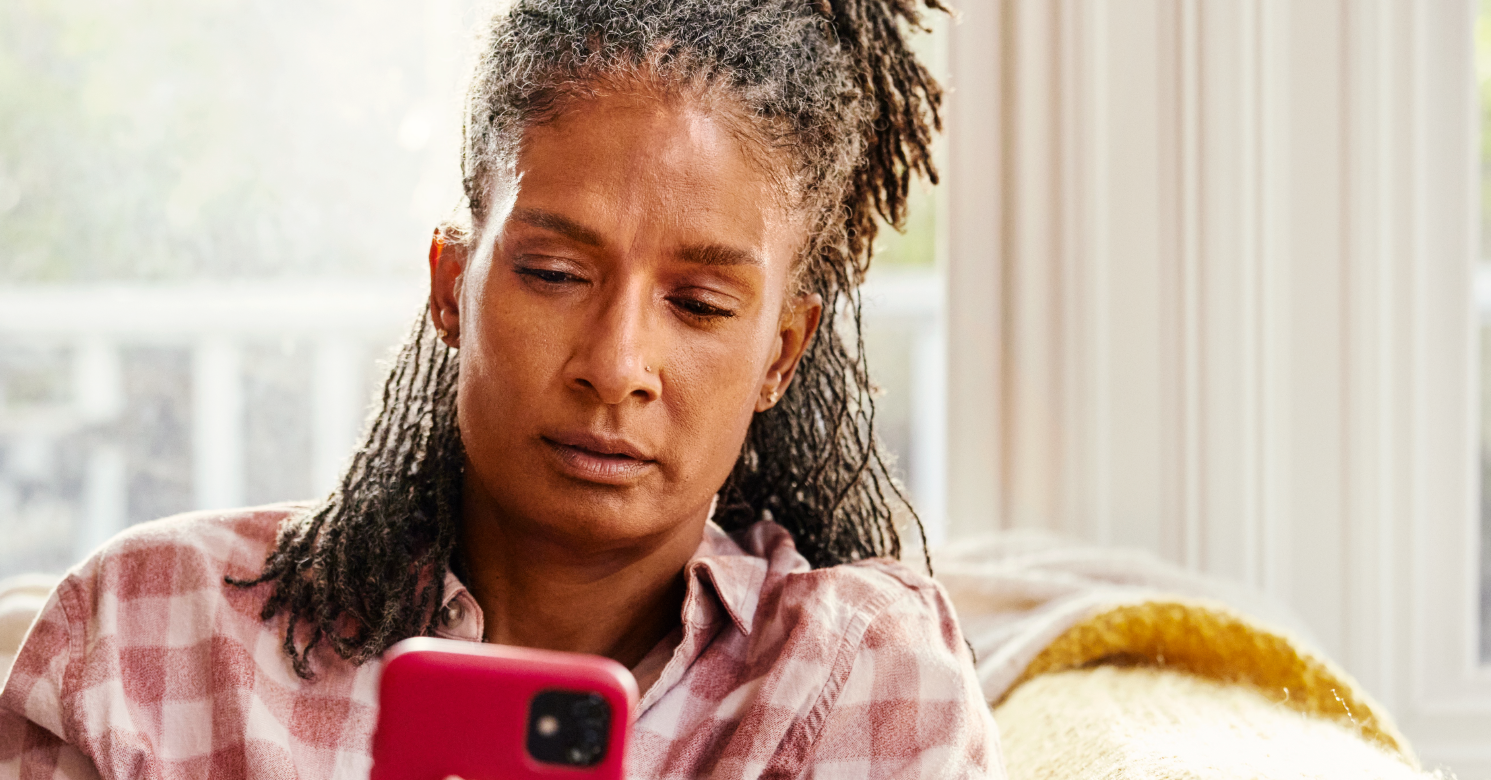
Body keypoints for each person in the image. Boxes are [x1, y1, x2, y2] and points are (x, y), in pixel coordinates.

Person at [0, 0, 1004, 777]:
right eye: (556, 276)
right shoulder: (142, 628)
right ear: (451, 287)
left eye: (698, 304)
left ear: (782, 353)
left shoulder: (863, 679)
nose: (615, 366)